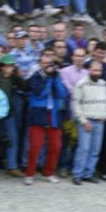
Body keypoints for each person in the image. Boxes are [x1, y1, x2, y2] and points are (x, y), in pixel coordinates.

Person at [24, 49, 69, 185]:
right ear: (40, 62)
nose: (48, 63)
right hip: (38, 113)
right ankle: (29, 173)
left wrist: (55, 78)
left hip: (53, 114)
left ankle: (48, 172)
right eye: (45, 60)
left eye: (50, 61)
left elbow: (62, 94)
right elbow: (40, 93)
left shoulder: (56, 76)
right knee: (35, 146)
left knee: (56, 146)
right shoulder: (35, 77)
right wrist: (49, 79)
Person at [70, 60, 106, 184]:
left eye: (99, 70)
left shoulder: (103, 84)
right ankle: (77, 174)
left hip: (100, 121)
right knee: (83, 149)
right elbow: (75, 104)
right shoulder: (81, 84)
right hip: (86, 121)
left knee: (95, 150)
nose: (97, 73)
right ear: (89, 70)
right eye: (94, 70)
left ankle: (88, 173)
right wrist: (82, 120)